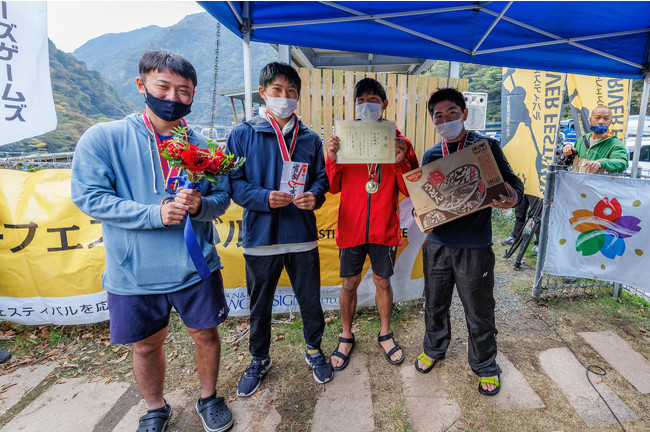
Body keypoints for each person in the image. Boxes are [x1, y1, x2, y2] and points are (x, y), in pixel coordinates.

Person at [71, 50, 233, 432]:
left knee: (206, 335)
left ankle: (209, 398)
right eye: (164, 86)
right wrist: (152, 214)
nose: (174, 98)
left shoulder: (205, 147)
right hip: (133, 272)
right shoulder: (105, 138)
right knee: (145, 345)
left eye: (184, 91)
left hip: (196, 265)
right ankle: (155, 408)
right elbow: (88, 196)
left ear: (193, 96)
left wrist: (200, 206)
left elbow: (221, 199)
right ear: (142, 85)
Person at [226, 62, 332, 396]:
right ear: (263, 92)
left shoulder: (311, 138)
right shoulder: (243, 134)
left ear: (298, 96)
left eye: (291, 92)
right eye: (277, 91)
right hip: (260, 237)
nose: (284, 98)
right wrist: (262, 197)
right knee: (259, 305)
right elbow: (234, 183)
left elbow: (321, 178)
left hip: (301, 235)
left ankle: (314, 349)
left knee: (310, 301)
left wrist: (314, 196)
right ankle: (259, 357)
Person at [414, 88, 523, 396]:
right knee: (434, 303)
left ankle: (486, 365)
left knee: (479, 309)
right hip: (437, 244)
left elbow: (514, 183)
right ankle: (434, 348)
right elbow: (425, 201)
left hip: (475, 246)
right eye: (438, 116)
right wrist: (420, 213)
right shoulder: (432, 155)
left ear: (463, 113)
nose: (445, 120)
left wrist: (511, 198)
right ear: (433, 121)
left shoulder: (485, 148)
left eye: (451, 113)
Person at [325, 78, 418, 370]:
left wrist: (402, 161)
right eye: (361, 100)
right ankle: (345, 334)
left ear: (385, 104)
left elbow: (410, 189)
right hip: (351, 227)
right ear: (355, 105)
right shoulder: (344, 137)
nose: (367, 105)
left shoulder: (400, 141)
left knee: (382, 281)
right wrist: (332, 158)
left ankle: (385, 333)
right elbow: (333, 187)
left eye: (373, 100)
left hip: (384, 227)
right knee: (349, 282)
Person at [562, 106, 629, 173]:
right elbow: (572, 160)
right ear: (590, 120)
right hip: (574, 181)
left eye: (606, 119)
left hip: (596, 183)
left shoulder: (614, 144)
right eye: (597, 118)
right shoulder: (582, 139)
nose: (601, 122)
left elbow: (622, 163)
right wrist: (568, 148)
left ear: (610, 122)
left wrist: (601, 163)